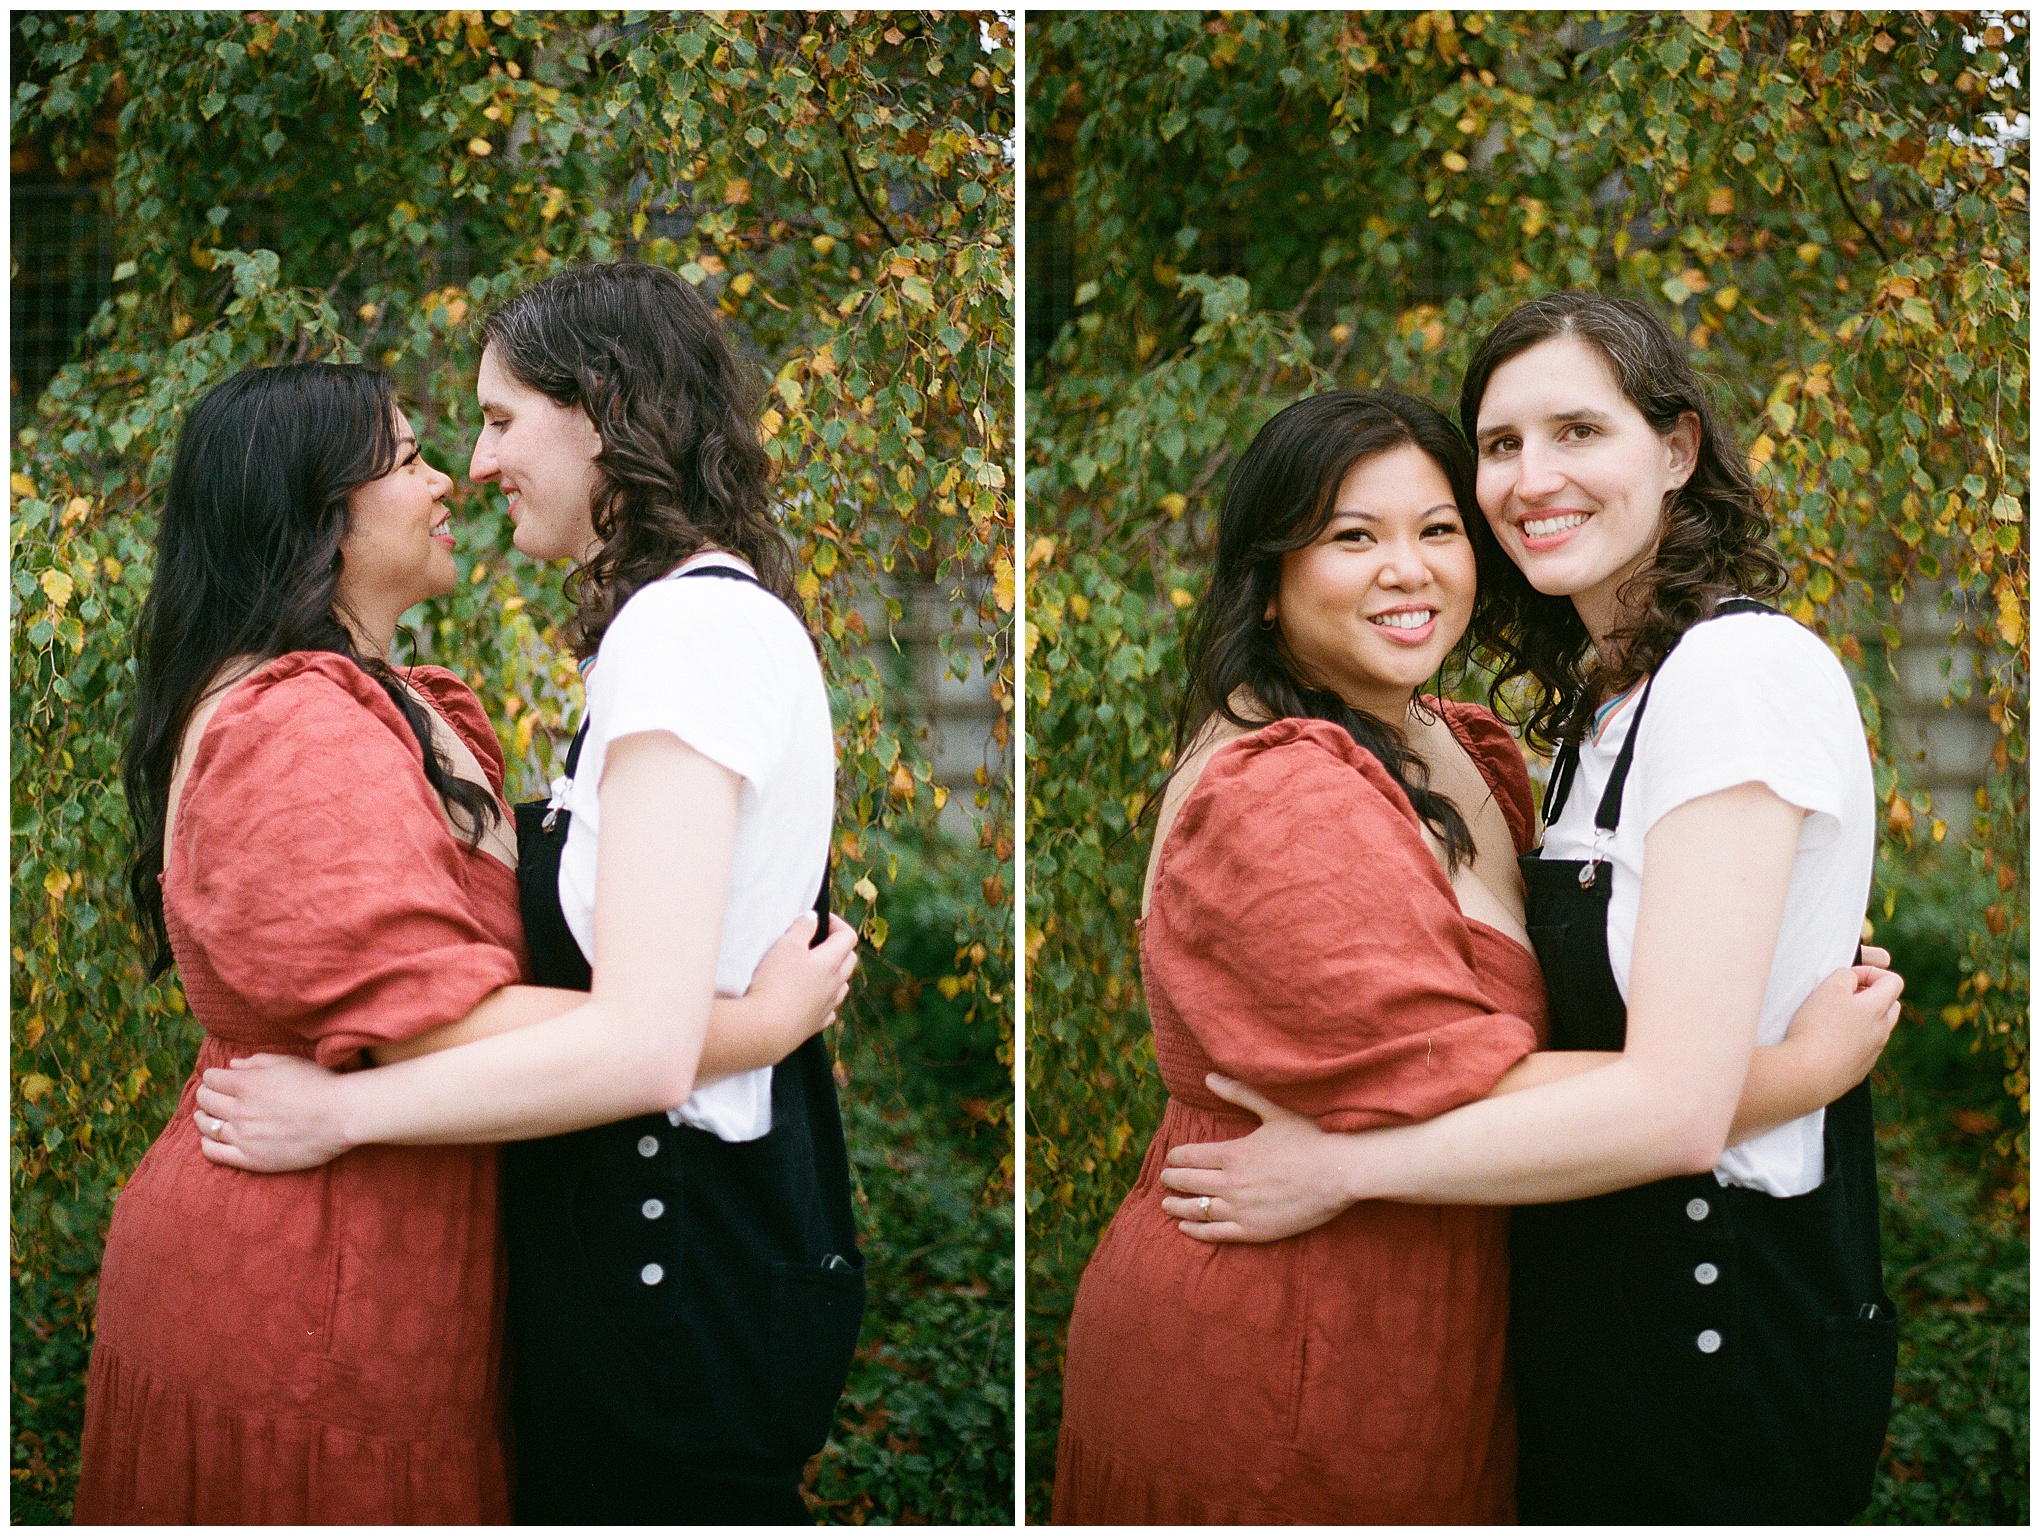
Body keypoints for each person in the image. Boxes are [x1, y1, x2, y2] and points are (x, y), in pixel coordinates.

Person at [1050, 389, 1901, 1523]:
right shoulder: (1280, 796)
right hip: (1287, 1335)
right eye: (1354, 537)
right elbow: (1462, 1081)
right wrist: (1802, 1066)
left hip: (1434, 1323)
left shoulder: (1457, 743)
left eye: (1437, 528)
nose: (1409, 569)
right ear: (1271, 572)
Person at [75, 361, 853, 1524]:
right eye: (408, 457)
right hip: (310, 1277)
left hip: (394, 1257)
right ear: (318, 514)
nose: (451, 478)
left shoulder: (388, 702)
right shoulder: (294, 726)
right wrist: (758, 1028)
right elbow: (429, 1025)